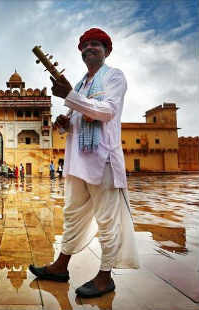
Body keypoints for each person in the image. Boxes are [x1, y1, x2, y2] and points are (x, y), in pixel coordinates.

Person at [29, 28, 139, 298]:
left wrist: (70, 97)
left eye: (96, 45)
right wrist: (65, 123)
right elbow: (79, 116)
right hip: (78, 162)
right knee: (72, 215)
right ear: (80, 52)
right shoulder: (80, 85)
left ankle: (105, 276)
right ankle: (60, 266)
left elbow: (106, 110)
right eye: (85, 45)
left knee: (106, 220)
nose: (90, 48)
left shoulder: (114, 77)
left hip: (102, 160)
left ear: (106, 51)